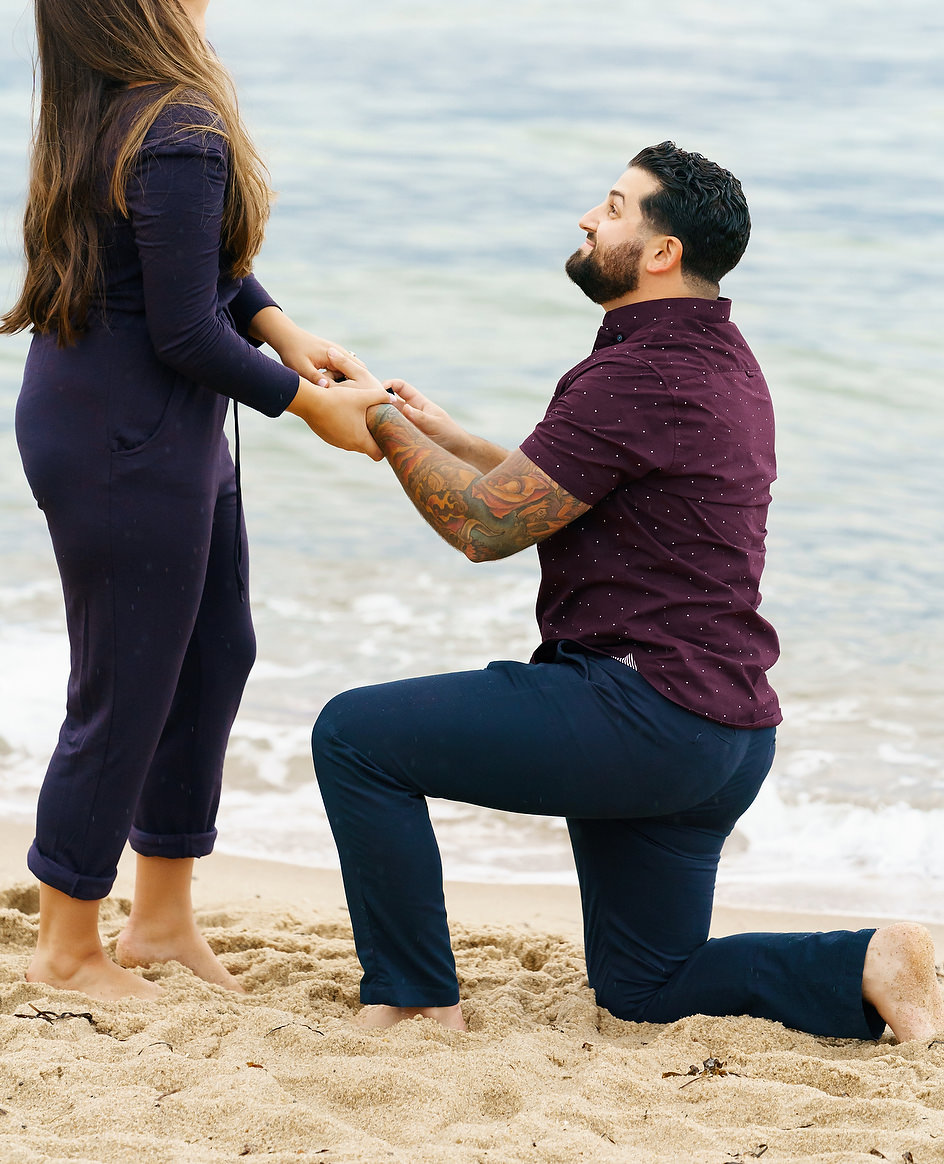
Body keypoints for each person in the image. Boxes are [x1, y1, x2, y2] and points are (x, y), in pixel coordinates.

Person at [313, 144, 944, 1042]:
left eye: (613, 206)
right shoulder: (720, 358)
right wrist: (442, 437)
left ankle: (415, 999)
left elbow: (485, 528)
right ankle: (867, 959)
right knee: (645, 988)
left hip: (639, 715)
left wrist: (374, 422)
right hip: (720, 735)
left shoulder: (632, 376)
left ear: (660, 253)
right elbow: (557, 492)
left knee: (355, 736)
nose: (587, 218)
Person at [0, 0, 388, 1002]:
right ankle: (67, 947)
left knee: (211, 655)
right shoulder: (176, 123)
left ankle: (160, 923)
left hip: (128, 415)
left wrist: (278, 325)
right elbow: (177, 326)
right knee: (124, 685)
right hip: (124, 430)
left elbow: (192, 271)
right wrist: (306, 405)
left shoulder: (138, 104)